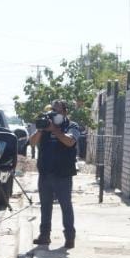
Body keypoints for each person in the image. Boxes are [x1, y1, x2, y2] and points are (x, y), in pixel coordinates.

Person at [29, 99, 80, 249]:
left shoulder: (72, 126)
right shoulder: (45, 126)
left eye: (57, 111)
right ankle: (44, 236)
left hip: (63, 174)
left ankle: (69, 237)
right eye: (52, 110)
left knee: (66, 206)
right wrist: (41, 129)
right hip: (45, 173)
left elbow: (70, 142)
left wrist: (55, 130)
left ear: (64, 112)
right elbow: (32, 143)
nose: (53, 114)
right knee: (45, 206)